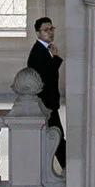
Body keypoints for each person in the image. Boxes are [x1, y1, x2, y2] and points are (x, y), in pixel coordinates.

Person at [27, 16, 66, 172]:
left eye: (51, 29)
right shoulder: (39, 52)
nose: (50, 33)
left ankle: (64, 165)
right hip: (46, 104)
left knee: (55, 136)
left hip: (49, 103)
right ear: (38, 33)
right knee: (56, 136)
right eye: (46, 30)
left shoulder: (46, 49)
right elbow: (47, 75)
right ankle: (66, 165)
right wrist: (56, 58)